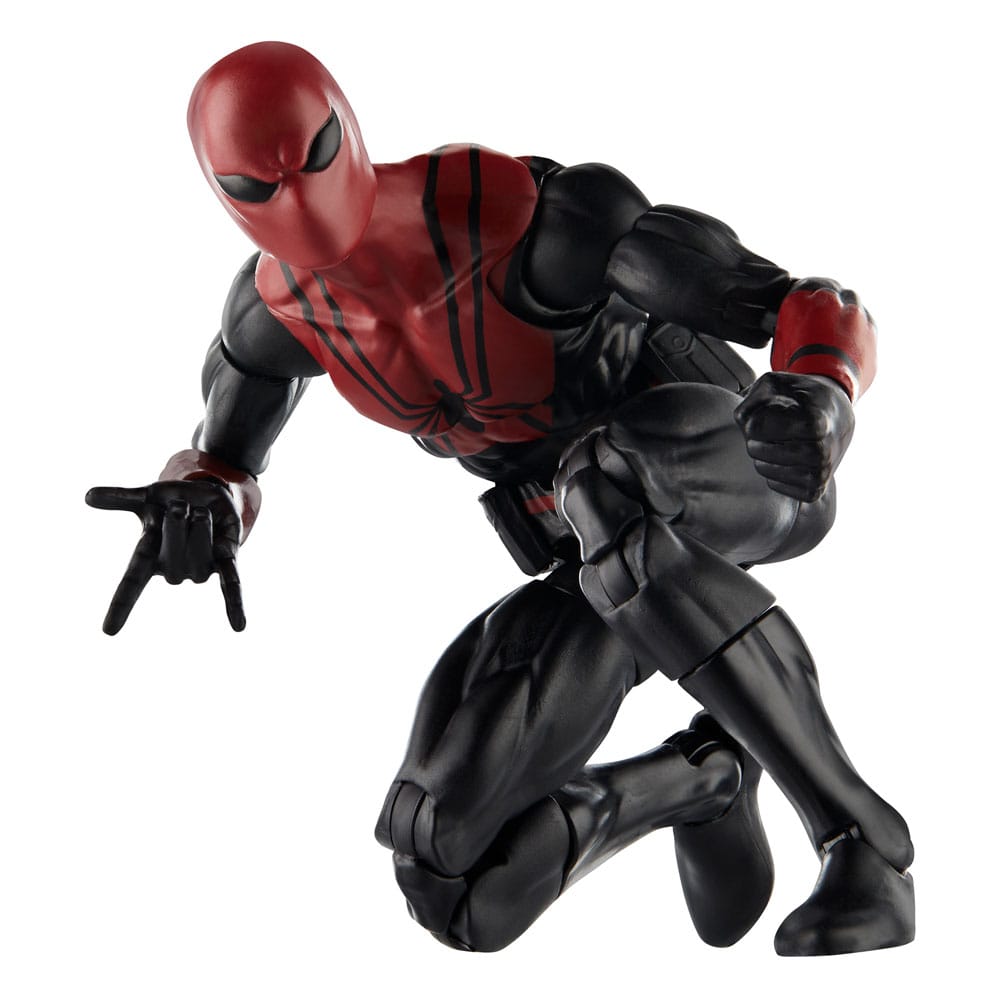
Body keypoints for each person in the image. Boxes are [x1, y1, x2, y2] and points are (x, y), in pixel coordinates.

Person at [87, 41, 913, 956]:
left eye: (313, 156)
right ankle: (699, 781)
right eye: (258, 186)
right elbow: (224, 463)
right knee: (445, 864)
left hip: (744, 472)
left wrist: (821, 394)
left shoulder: (533, 224)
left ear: (349, 131)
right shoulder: (274, 316)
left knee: (603, 477)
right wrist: (200, 507)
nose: (300, 199)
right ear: (221, 192)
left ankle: (863, 847)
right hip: (603, 562)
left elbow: (809, 301)